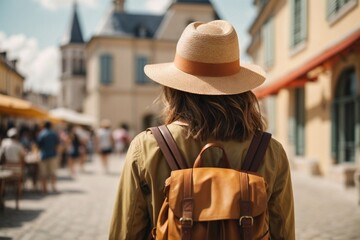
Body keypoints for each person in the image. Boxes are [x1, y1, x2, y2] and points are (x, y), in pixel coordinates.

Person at [109, 20, 295, 239]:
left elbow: (126, 231)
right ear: (240, 89)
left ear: (174, 89)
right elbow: (283, 232)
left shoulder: (147, 146)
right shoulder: (271, 151)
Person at [37, 121, 60, 193]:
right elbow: (57, 145)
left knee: (43, 174)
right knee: (53, 173)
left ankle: (44, 189)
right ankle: (53, 187)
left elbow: (38, 146)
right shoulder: (54, 134)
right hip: (53, 155)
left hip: (43, 155)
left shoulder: (41, 134)